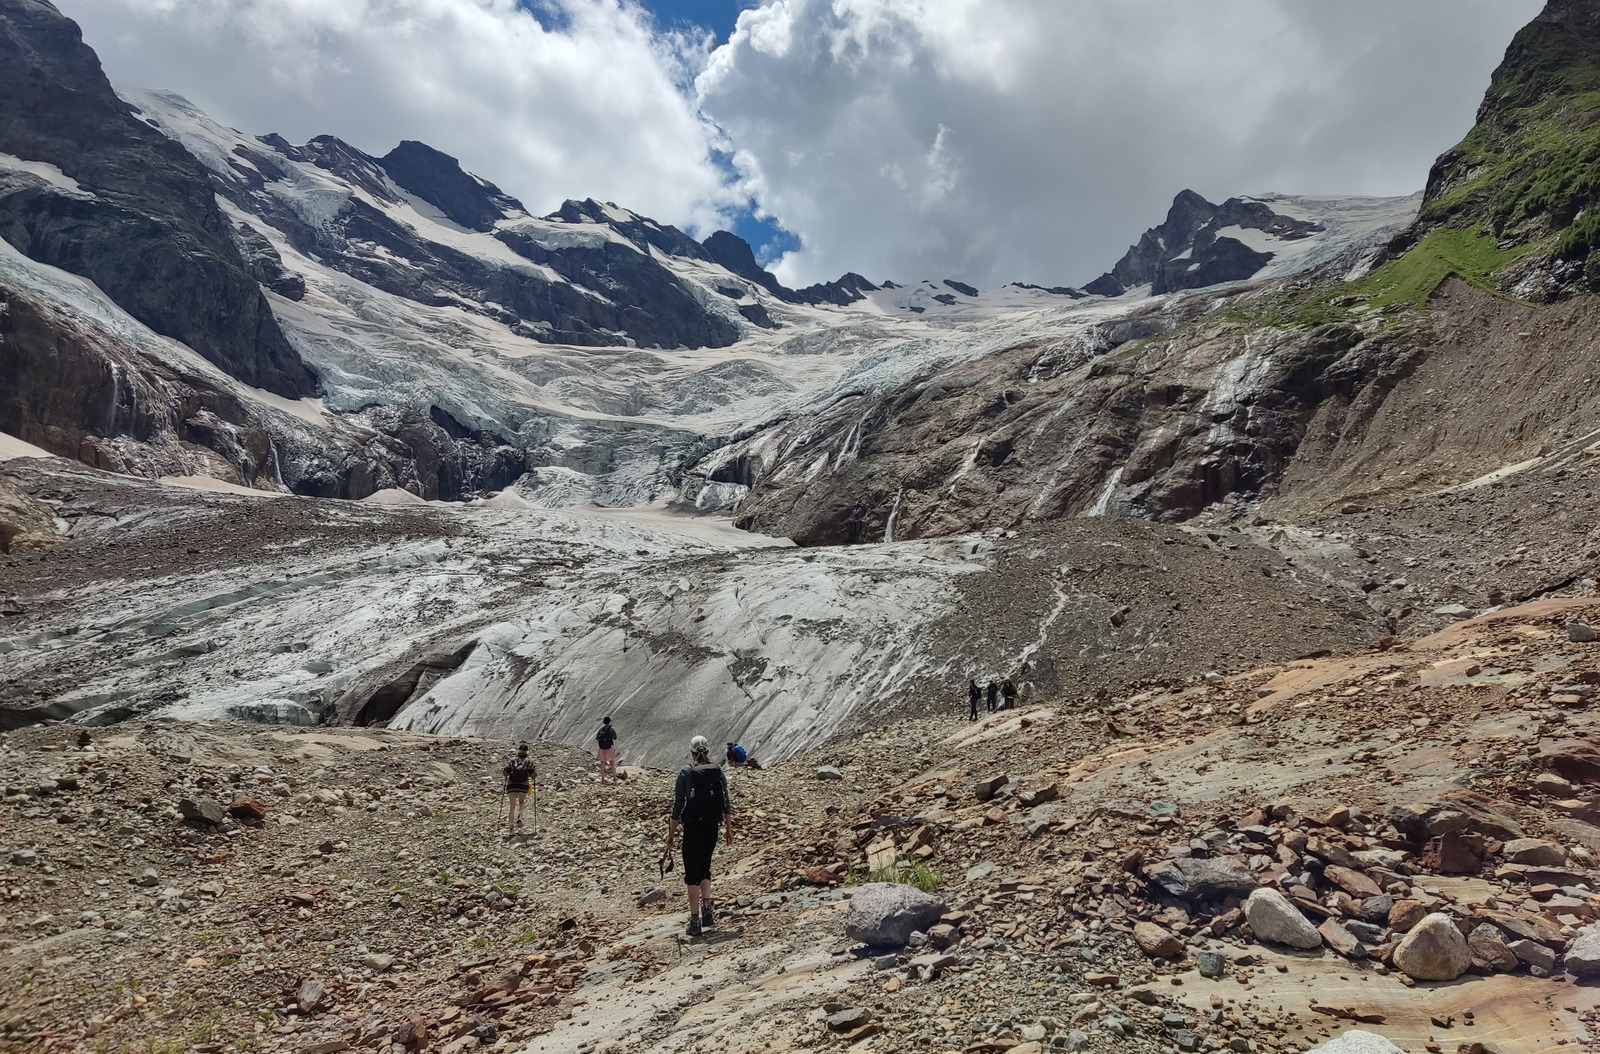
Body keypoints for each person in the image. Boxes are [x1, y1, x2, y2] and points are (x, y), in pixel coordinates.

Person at [664, 735, 734, 937]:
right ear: (708, 751)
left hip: (693, 827)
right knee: (705, 867)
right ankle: (707, 911)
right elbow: (726, 801)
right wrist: (728, 828)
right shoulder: (717, 771)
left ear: (691, 752)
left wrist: (670, 834)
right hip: (712, 827)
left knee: (691, 874)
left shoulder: (685, 772)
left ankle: (695, 922)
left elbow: (678, 806)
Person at [503, 742, 535, 835]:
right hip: (523, 785)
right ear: (526, 751)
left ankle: (511, 830)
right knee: (521, 802)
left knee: (512, 807)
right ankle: (520, 817)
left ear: (519, 750)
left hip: (512, 785)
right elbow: (533, 774)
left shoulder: (512, 760)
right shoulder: (528, 761)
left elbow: (505, 772)